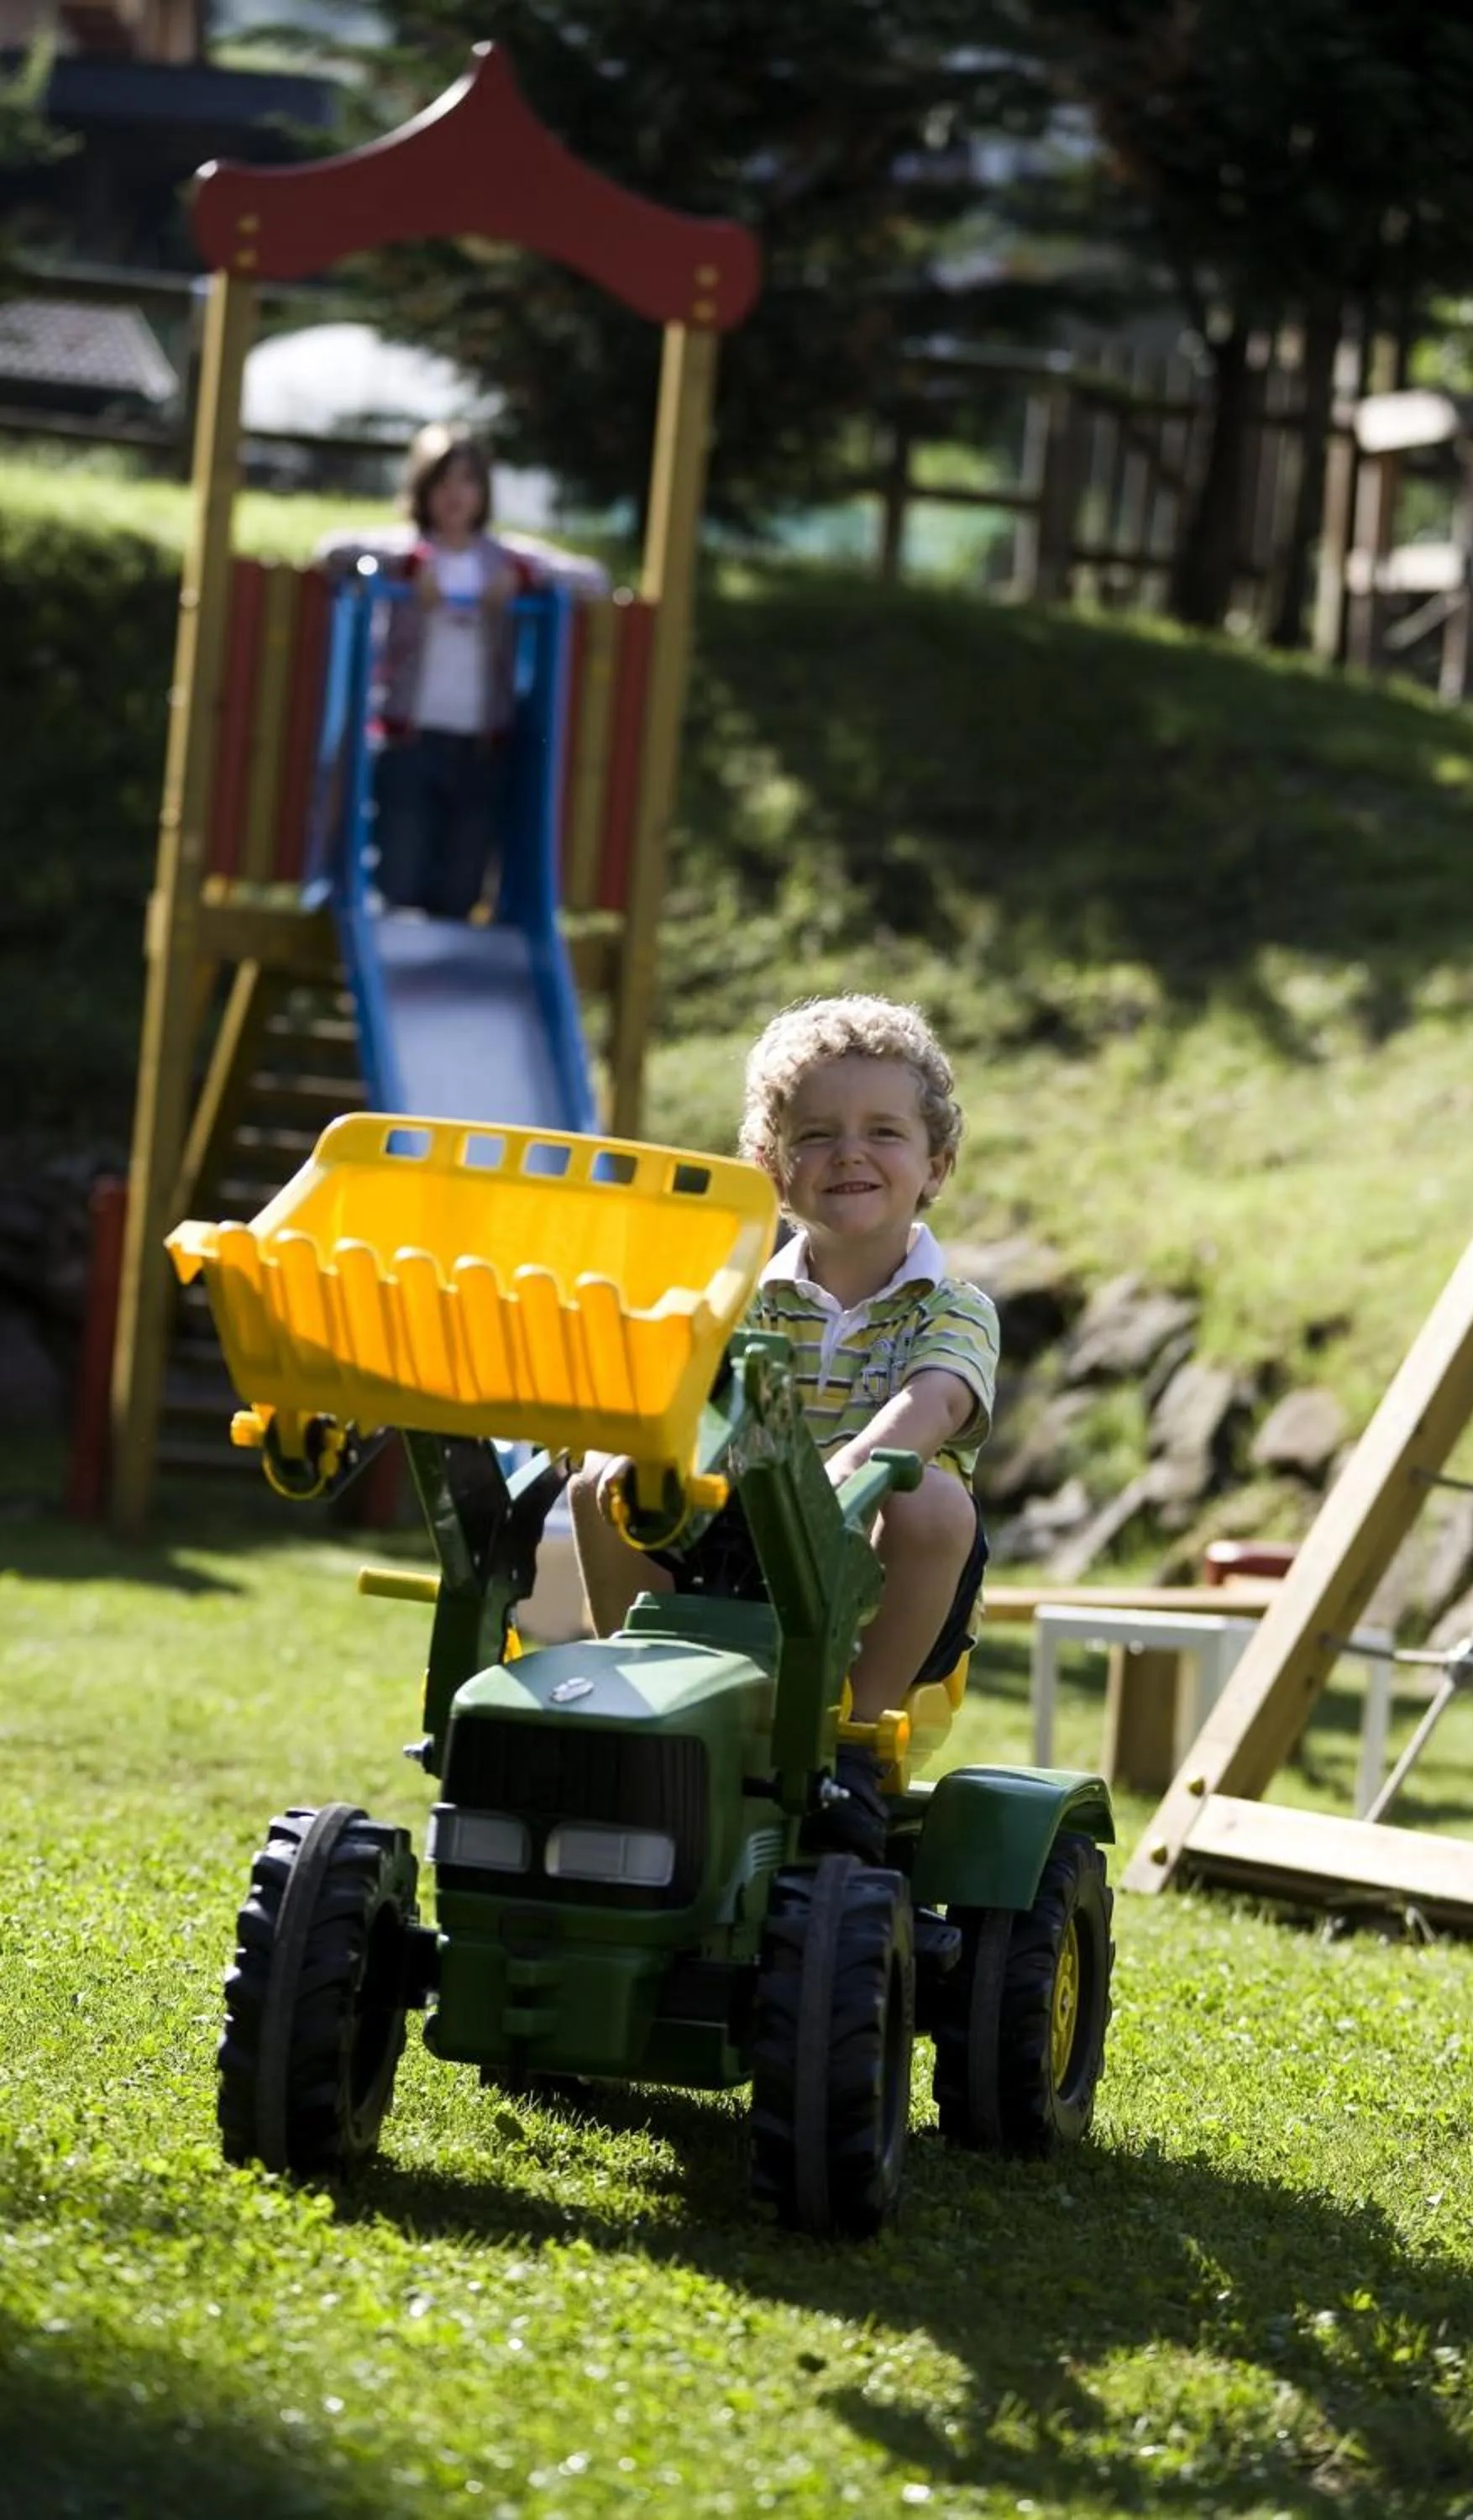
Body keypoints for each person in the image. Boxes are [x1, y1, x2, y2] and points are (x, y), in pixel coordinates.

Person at [569, 993, 999, 1856]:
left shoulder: (951, 1308)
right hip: (743, 1548)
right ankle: (644, 1693)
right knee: (601, 1482)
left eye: (883, 1132)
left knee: (928, 1500)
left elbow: (936, 1402)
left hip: (879, 1576)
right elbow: (682, 1395)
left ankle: (853, 1745)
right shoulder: (736, 1299)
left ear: (935, 1165)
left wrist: (842, 1476)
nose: (849, 1152)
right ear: (770, 1165)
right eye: (816, 1134)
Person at [315, 423, 608, 920]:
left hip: (480, 746)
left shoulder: (503, 559)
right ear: (422, 488)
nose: (455, 495)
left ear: (484, 492)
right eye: (442, 482)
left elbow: (594, 580)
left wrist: (524, 578)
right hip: (408, 740)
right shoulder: (403, 551)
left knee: (461, 887)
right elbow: (333, 553)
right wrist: (406, 568)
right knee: (400, 876)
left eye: (467, 482)